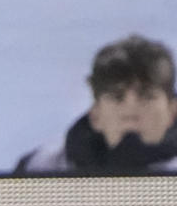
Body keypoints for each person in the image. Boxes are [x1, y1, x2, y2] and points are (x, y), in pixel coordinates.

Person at [16, 34, 177, 172]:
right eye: (117, 98)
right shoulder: (41, 167)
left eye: (147, 97)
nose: (130, 113)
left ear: (172, 111)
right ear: (95, 115)